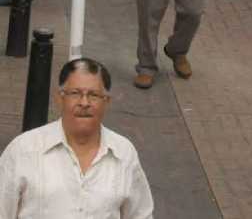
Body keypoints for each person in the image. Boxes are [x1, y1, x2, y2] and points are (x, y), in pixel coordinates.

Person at [0, 58, 154, 218]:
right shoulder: (24, 149)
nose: (84, 102)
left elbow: (141, 214)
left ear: (106, 101)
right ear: (60, 98)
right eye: (75, 93)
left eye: (93, 95)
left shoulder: (124, 153)